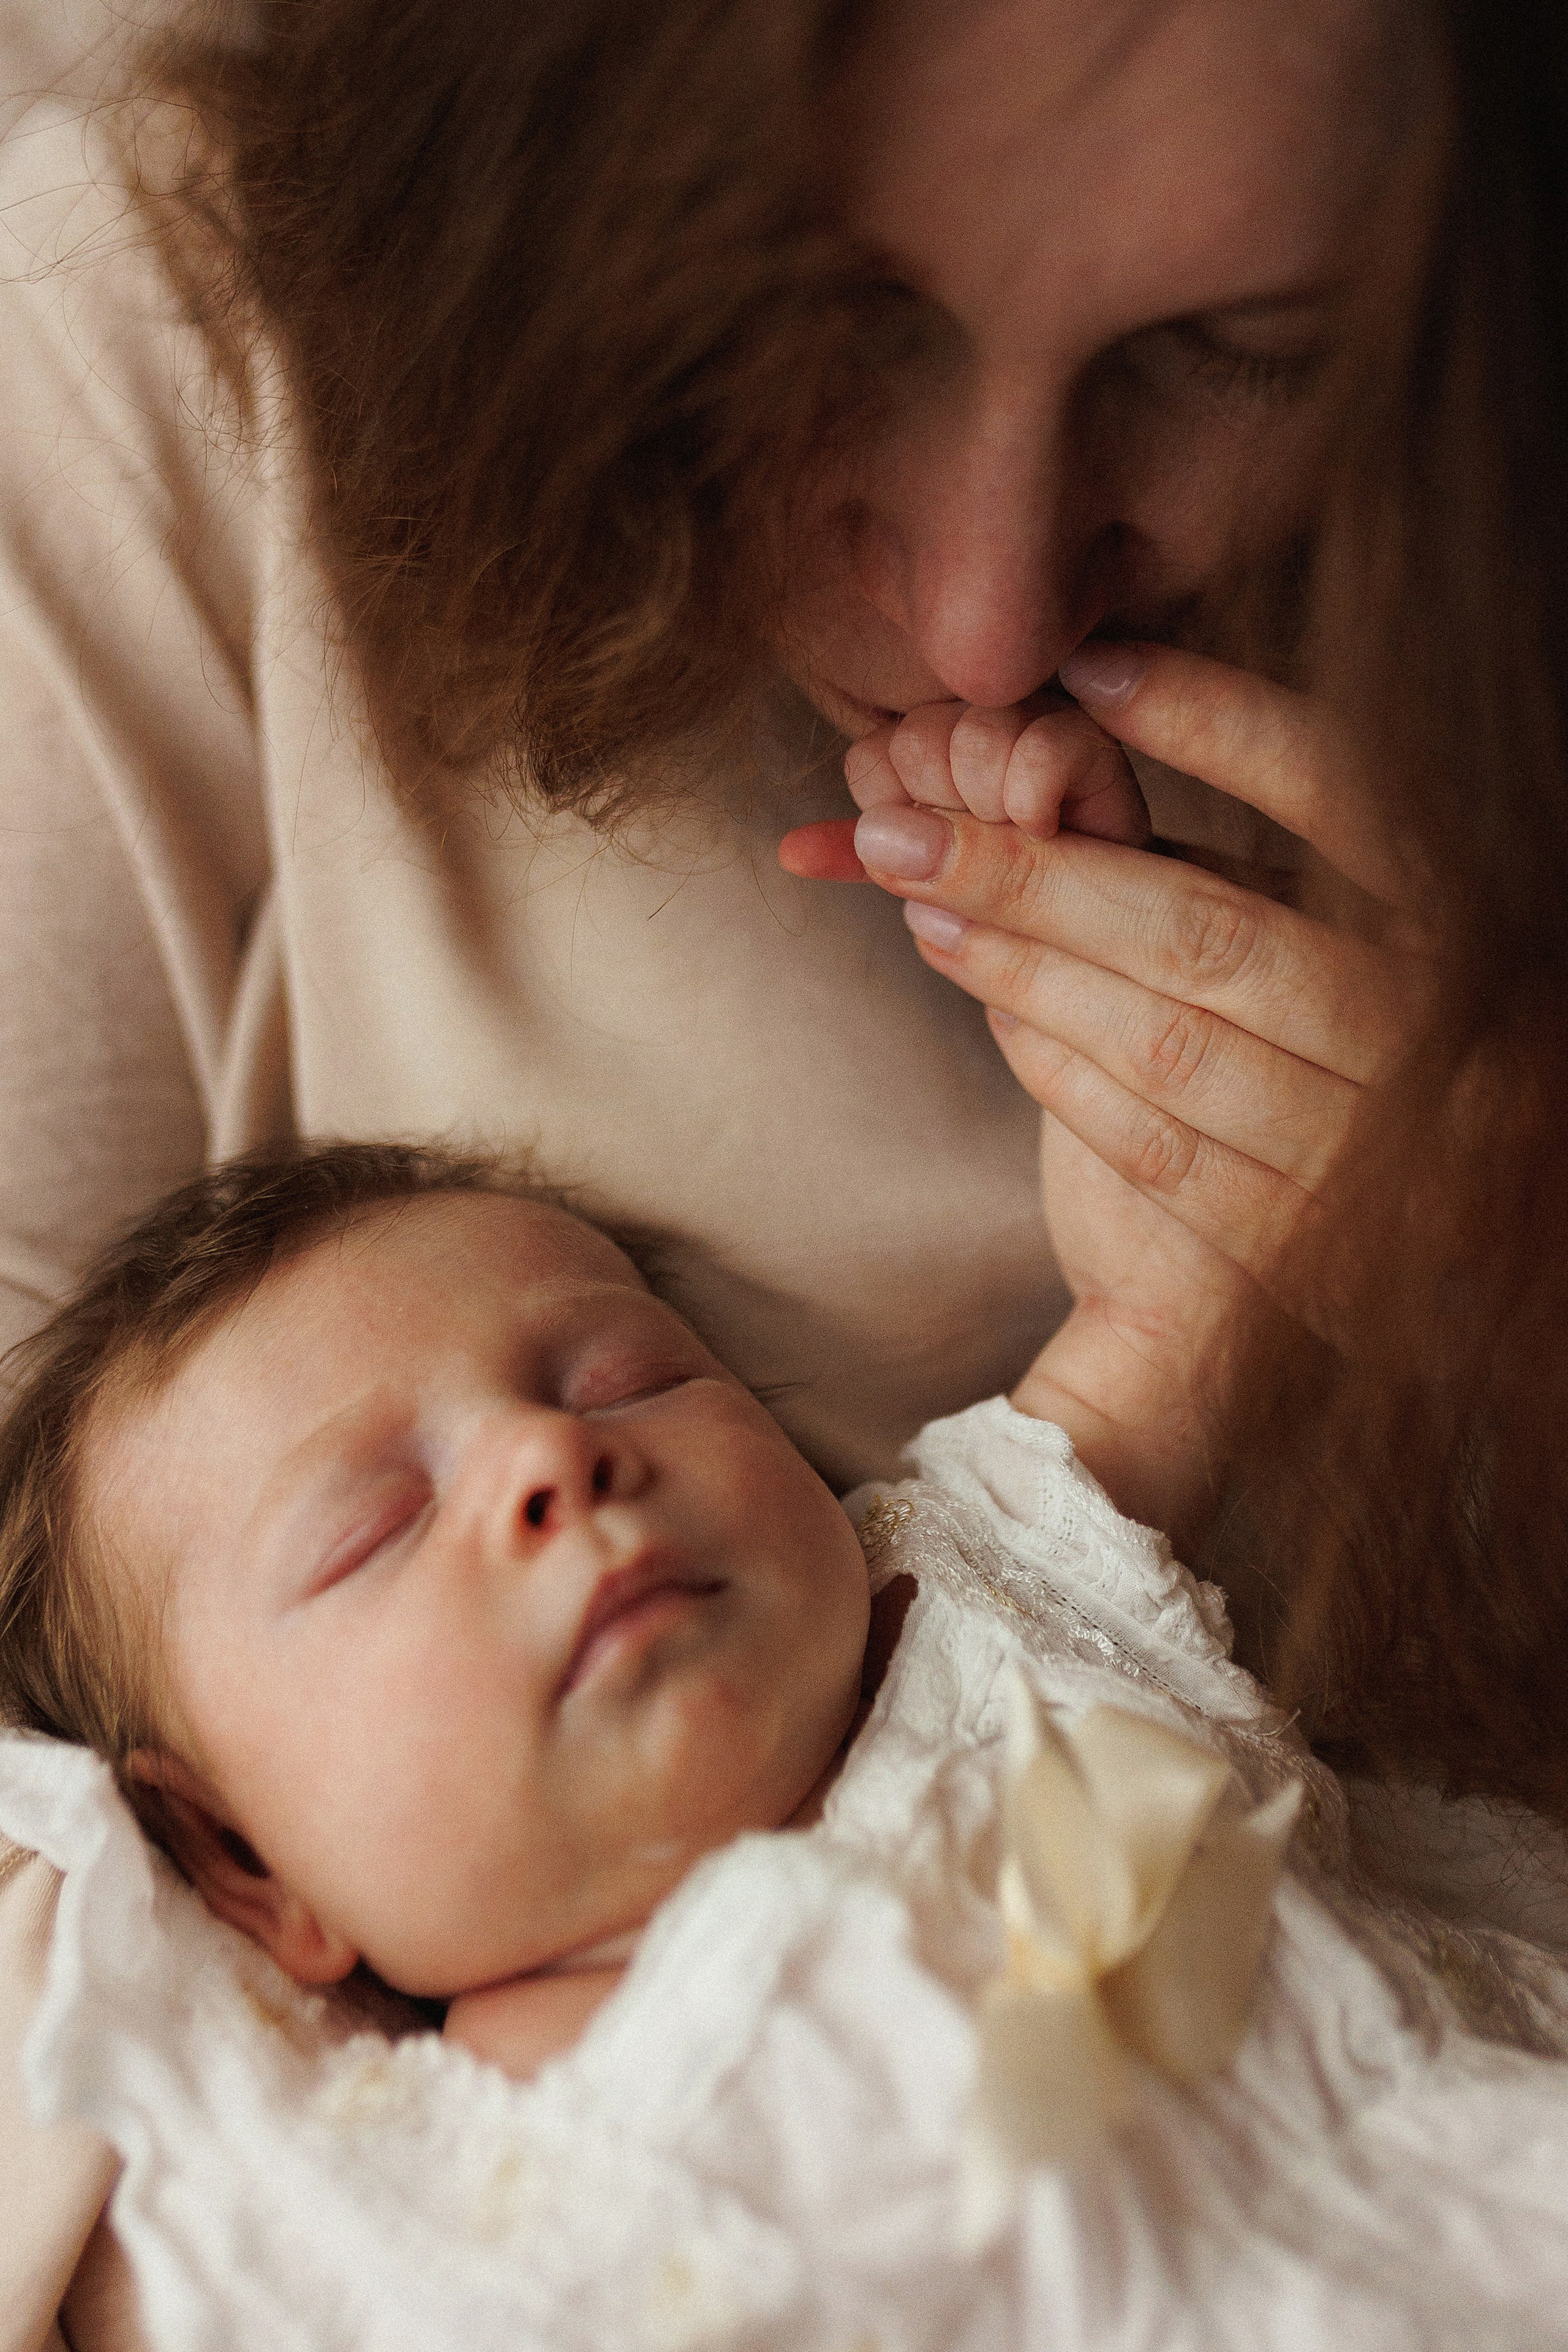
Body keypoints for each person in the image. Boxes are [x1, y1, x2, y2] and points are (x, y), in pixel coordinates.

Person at [2, 0, 1566, 2340]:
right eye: (825, 330)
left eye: (1240, 349)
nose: (990, 611)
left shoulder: (980, 1631)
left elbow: (1128, 1390)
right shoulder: (158, 358)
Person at [5, 1140, 1566, 2351]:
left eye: (631, 1378)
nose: (555, 1452)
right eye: (377, 1529)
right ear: (234, 1857)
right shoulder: (341, 2171)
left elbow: (1165, 1297)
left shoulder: (967, 1597)